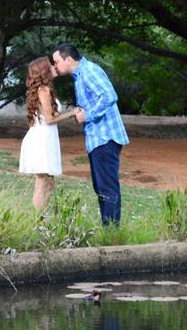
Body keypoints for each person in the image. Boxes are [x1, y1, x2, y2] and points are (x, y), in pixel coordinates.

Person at [51, 43, 129, 225]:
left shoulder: (89, 71)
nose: (55, 66)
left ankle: (111, 234)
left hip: (105, 137)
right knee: (101, 187)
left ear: (68, 59)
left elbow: (110, 96)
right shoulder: (80, 75)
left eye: (57, 61)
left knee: (107, 187)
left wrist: (87, 115)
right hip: (97, 138)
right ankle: (108, 229)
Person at [18, 57, 81, 215]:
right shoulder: (43, 90)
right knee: (41, 183)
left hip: (46, 138)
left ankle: (43, 219)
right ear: (44, 71)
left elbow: (49, 115)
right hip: (42, 140)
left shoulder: (45, 89)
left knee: (49, 182)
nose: (54, 67)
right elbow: (50, 119)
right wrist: (72, 112)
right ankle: (38, 221)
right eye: (50, 66)